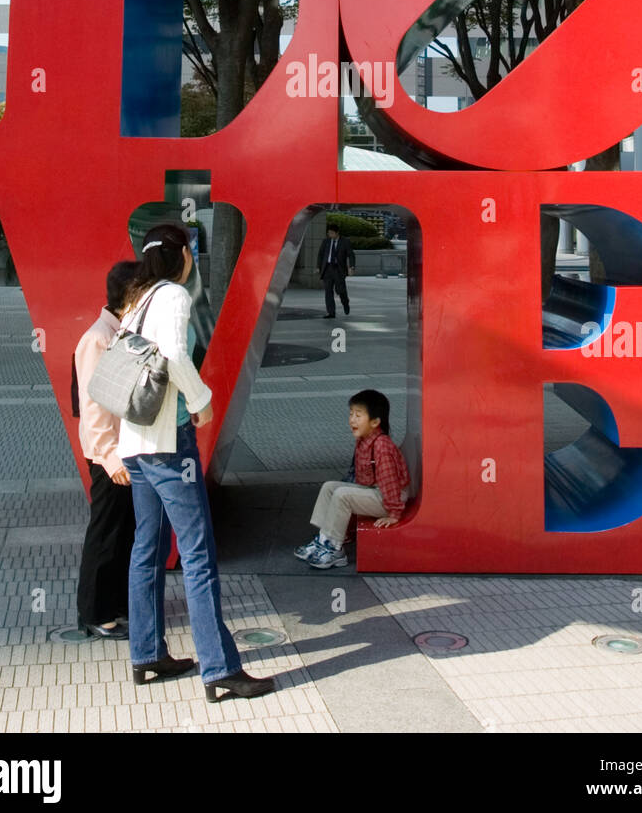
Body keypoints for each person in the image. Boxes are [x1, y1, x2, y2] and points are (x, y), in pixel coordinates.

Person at [117, 222, 274, 700]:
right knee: (198, 553)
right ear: (184, 254)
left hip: (135, 443)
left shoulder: (136, 299)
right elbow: (175, 354)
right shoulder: (172, 296)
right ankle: (219, 668)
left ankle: (147, 655)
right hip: (167, 443)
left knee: (147, 548)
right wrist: (202, 400)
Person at [74, 260, 139, 640]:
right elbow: (92, 405)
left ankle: (114, 603)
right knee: (106, 531)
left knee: (123, 530)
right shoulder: (98, 339)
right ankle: (95, 612)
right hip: (107, 455)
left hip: (122, 450)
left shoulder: (118, 333)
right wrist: (110, 455)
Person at [294, 389, 410, 569]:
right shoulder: (363, 440)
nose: (352, 419)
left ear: (375, 422)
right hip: (376, 490)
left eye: (358, 415)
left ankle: (335, 550)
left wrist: (393, 514)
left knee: (342, 495)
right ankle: (323, 539)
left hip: (389, 498)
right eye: (351, 414)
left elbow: (390, 483)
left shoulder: (382, 446)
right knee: (329, 487)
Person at [316, 224, 355, 318]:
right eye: (328, 233)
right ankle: (331, 312)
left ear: (337, 232)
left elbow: (351, 255)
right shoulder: (326, 241)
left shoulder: (345, 242)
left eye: (332, 233)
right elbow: (320, 255)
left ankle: (345, 303)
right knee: (328, 291)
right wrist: (318, 267)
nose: (330, 234)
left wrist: (352, 267)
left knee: (341, 290)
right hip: (327, 269)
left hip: (339, 269)